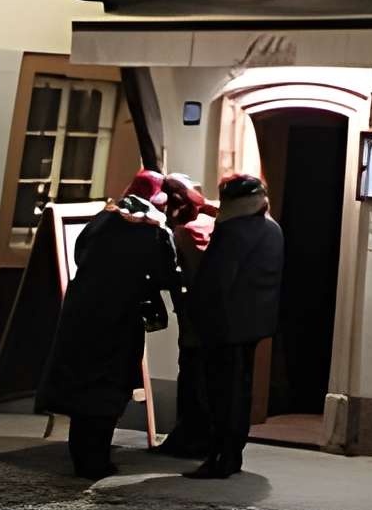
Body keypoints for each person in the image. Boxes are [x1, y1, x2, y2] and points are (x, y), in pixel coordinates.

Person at [36, 176, 179, 478]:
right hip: (120, 315)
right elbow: (165, 274)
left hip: (82, 312)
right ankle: (97, 461)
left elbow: (79, 254)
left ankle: (81, 456)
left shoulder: (101, 219)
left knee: (82, 386)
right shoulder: (152, 231)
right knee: (108, 388)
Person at [187, 171, 283, 479]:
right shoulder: (272, 229)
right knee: (240, 392)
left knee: (220, 394)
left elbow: (216, 281)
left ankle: (220, 457)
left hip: (224, 326)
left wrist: (197, 311)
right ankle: (233, 455)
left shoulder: (233, 232)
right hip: (253, 325)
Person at [156, 173, 215, 459]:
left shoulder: (185, 232)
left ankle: (190, 437)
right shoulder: (212, 223)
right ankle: (200, 436)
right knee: (205, 375)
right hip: (217, 317)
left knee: (193, 374)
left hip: (196, 315)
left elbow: (188, 274)